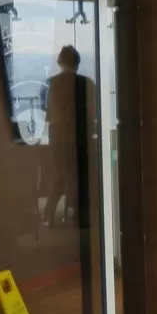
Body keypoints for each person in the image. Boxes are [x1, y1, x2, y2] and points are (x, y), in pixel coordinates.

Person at [42, 45, 95, 226]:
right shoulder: (87, 84)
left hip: (58, 138)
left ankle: (48, 216)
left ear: (60, 62)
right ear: (77, 63)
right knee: (79, 178)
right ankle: (77, 216)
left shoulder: (51, 84)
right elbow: (93, 114)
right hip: (81, 138)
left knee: (58, 177)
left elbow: (49, 114)